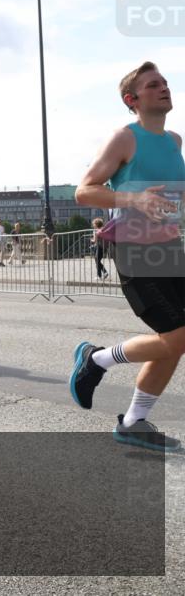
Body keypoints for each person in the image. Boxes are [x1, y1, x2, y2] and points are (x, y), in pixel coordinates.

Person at [69, 60, 183, 452]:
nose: (164, 88)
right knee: (177, 337)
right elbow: (85, 191)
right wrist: (133, 197)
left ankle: (134, 421)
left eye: (165, 82)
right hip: (135, 250)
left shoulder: (174, 142)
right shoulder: (124, 138)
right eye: (153, 85)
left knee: (175, 341)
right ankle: (97, 359)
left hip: (172, 249)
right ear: (132, 100)